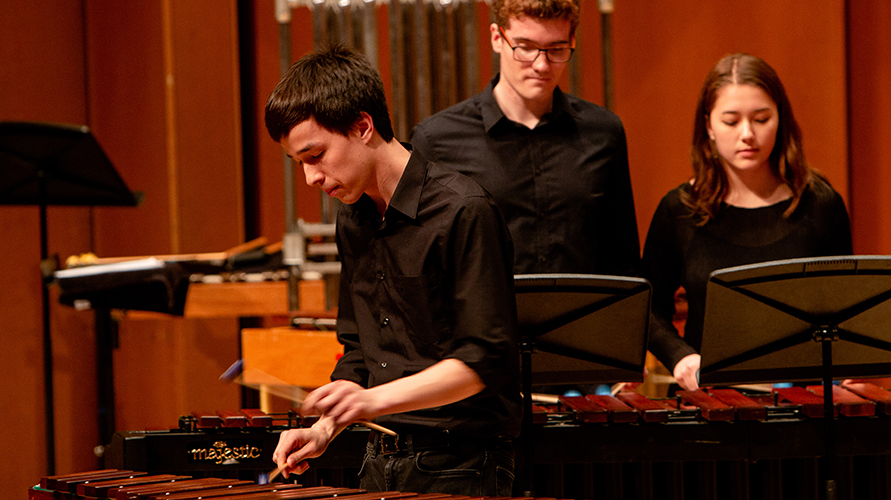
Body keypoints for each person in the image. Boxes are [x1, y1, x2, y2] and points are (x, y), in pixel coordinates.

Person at [264, 45, 521, 495]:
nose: (310, 179)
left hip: (459, 466)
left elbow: (485, 360)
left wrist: (370, 401)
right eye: (300, 163)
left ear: (363, 127)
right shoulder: (353, 218)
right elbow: (360, 351)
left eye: (315, 155)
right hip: (379, 460)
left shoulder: (463, 210)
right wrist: (325, 428)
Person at [641, 53, 853, 391]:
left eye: (761, 118)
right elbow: (647, 310)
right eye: (730, 121)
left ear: (780, 119)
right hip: (710, 402)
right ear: (708, 125)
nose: (747, 134)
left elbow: (846, 311)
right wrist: (680, 356)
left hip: (805, 403)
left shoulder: (821, 205)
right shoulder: (679, 209)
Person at [409, 0, 639, 277]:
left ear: (572, 40)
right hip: (484, 320)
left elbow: (622, 258)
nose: (541, 65)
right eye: (526, 47)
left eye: (556, 49)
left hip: (583, 318)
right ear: (497, 37)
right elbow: (421, 264)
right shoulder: (436, 140)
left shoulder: (604, 132)